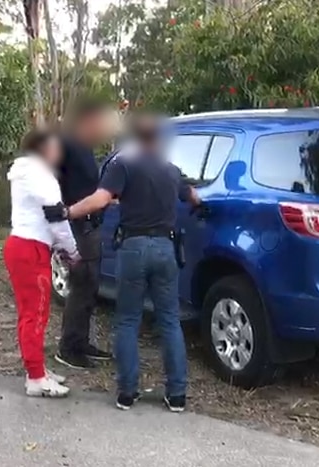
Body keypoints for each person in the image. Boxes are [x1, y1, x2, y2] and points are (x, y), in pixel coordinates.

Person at [43, 113, 202, 412]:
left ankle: (127, 392)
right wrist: (200, 206)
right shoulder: (172, 171)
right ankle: (177, 394)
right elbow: (193, 196)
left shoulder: (123, 165)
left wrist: (67, 212)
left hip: (133, 249)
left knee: (128, 320)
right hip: (166, 249)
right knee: (169, 320)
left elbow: (100, 199)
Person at [3, 128, 80, 398]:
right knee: (34, 314)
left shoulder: (27, 172)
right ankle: (35, 377)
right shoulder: (40, 174)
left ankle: (37, 369)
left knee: (36, 312)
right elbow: (56, 215)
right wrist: (72, 250)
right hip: (30, 248)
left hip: (25, 245)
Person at [55, 99, 115, 370]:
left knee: (90, 287)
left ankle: (81, 341)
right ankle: (68, 348)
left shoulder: (86, 148)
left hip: (91, 224)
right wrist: (61, 216)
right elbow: (52, 180)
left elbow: (88, 186)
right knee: (81, 285)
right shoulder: (66, 143)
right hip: (76, 225)